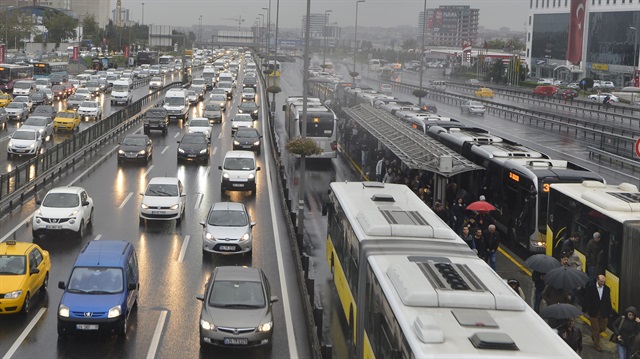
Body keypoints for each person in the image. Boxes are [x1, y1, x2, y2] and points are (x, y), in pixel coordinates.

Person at [582, 274, 613, 352]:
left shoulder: (607, 289)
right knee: (596, 329)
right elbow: (586, 300)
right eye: (601, 281)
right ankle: (597, 345)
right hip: (593, 312)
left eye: (604, 282)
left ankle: (594, 336)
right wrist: (584, 311)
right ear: (597, 280)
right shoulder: (590, 289)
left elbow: (608, 301)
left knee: (603, 328)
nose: (603, 283)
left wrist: (610, 311)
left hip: (603, 312)